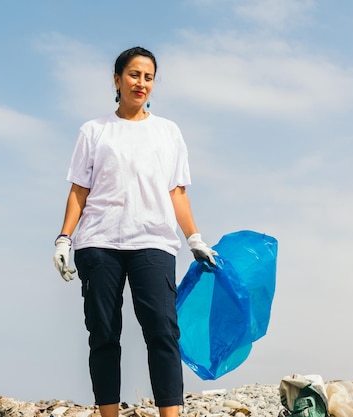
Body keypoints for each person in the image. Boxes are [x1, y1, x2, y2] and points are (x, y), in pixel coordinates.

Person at [53, 46, 217, 417]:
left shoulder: (168, 132)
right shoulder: (94, 131)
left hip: (153, 242)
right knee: (104, 335)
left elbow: (177, 192)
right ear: (117, 79)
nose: (141, 83)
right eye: (133, 74)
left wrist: (195, 239)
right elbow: (80, 190)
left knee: (162, 330)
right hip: (98, 242)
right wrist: (64, 238)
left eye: (148, 77)